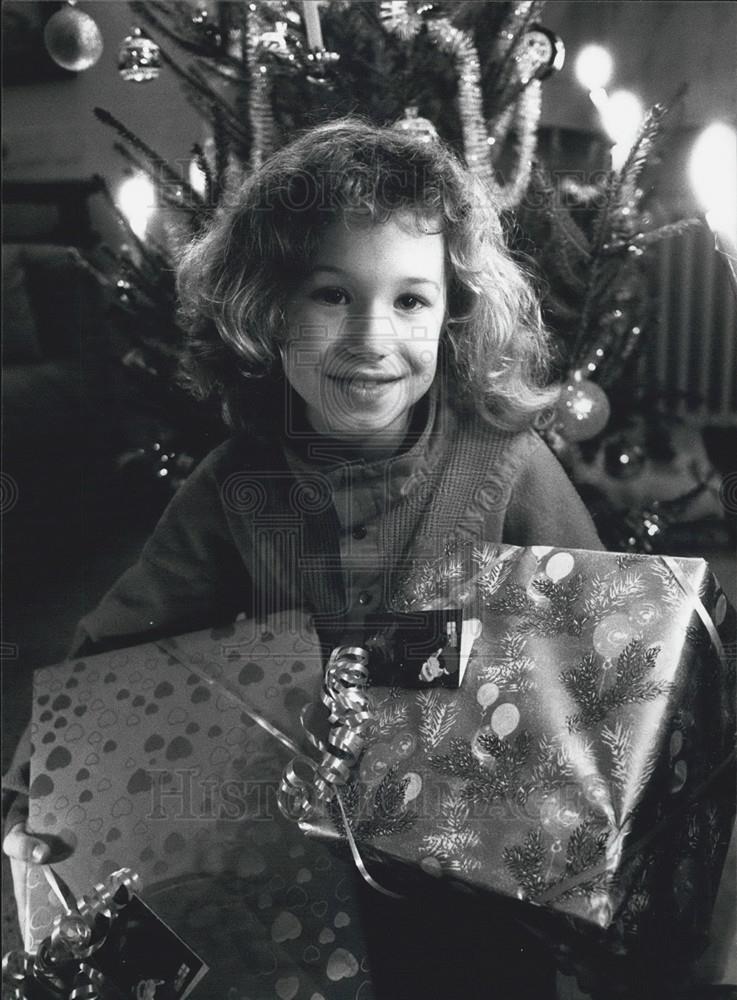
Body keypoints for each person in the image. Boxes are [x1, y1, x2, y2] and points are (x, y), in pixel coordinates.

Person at [3, 116, 602, 996]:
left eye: (410, 300)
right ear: (267, 308)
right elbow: (117, 651)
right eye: (331, 295)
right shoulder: (235, 482)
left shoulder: (506, 462)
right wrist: (37, 788)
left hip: (478, 872)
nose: (371, 337)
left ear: (454, 313)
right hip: (294, 871)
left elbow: (598, 647)